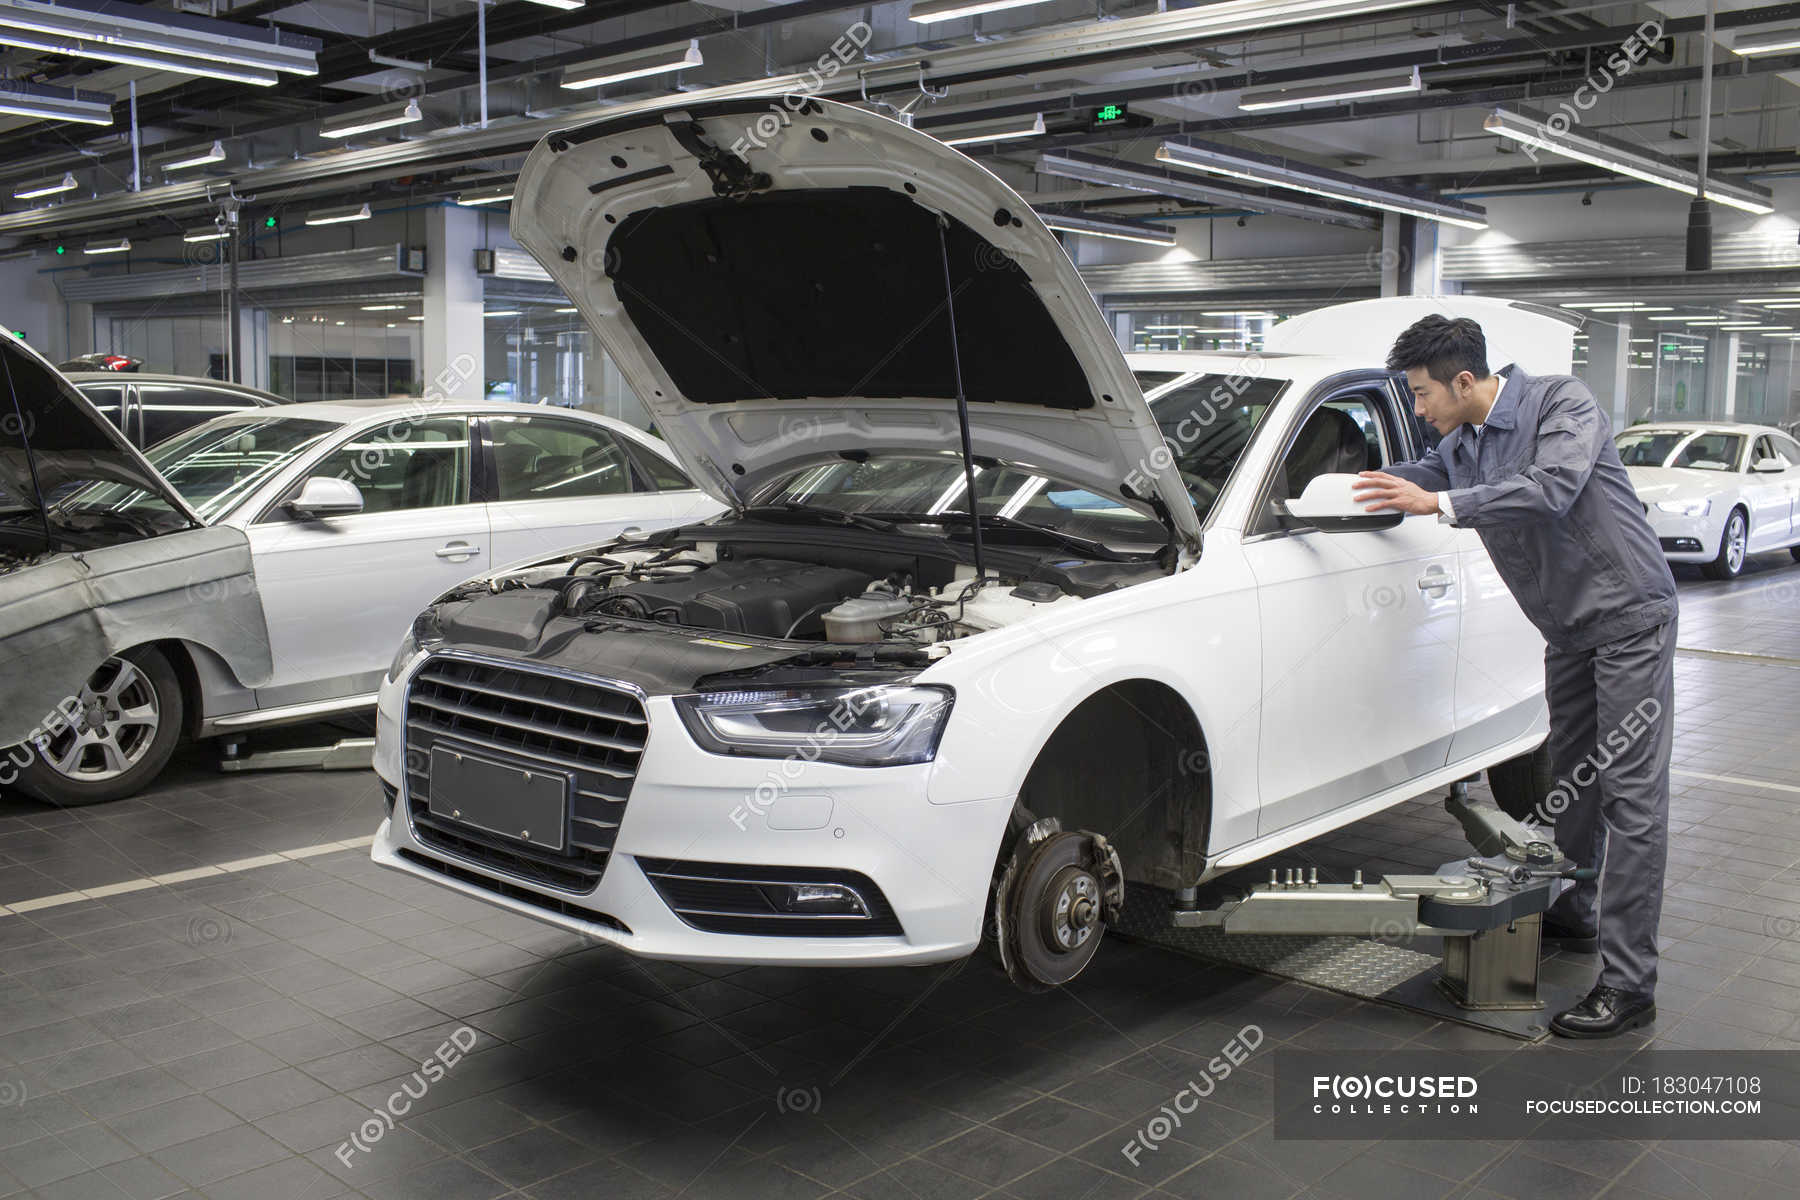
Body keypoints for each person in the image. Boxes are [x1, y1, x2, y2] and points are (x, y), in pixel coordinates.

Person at [1353, 314, 1677, 1039]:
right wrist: (1346, 484)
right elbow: (1426, 475)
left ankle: (1631, 987)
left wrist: (1439, 503)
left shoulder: (1563, 404)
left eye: (1421, 394)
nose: (1417, 410)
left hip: (1628, 616)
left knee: (1631, 795)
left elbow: (1551, 486)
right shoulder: (1461, 442)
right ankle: (1579, 911)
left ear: (1463, 380)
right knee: (1579, 779)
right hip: (1565, 628)